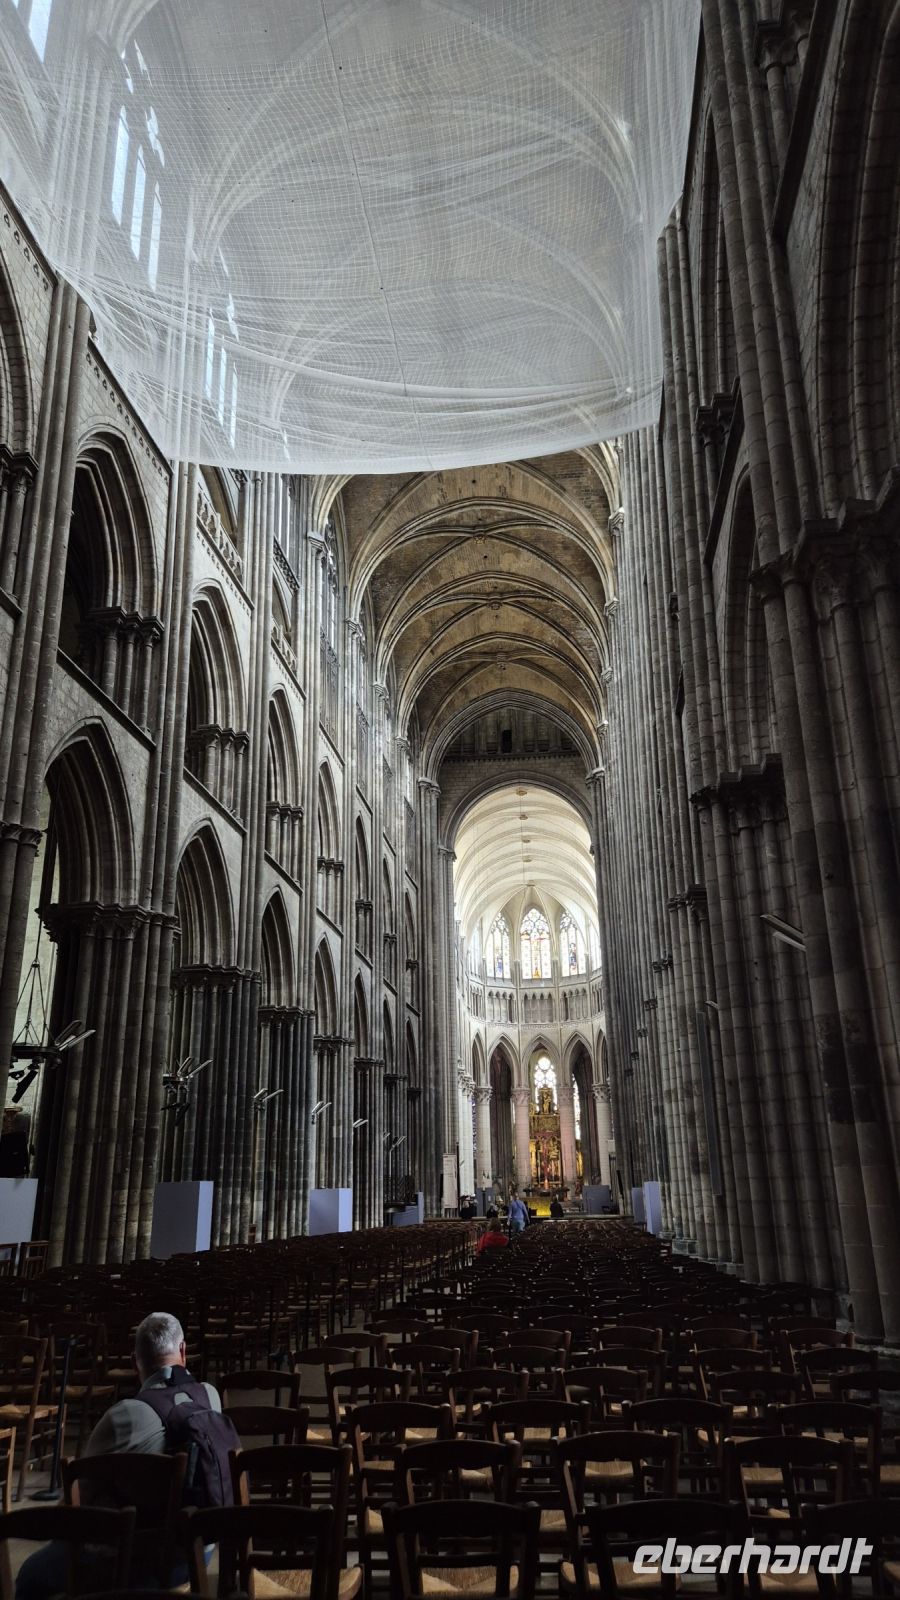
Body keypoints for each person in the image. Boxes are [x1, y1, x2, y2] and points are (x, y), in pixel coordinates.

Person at [16, 1312, 224, 1600]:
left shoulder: (122, 1416)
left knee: (30, 1575)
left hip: (132, 1562)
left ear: (133, 1362)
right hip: (198, 1552)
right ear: (183, 1351)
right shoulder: (210, 1397)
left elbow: (79, 1496)